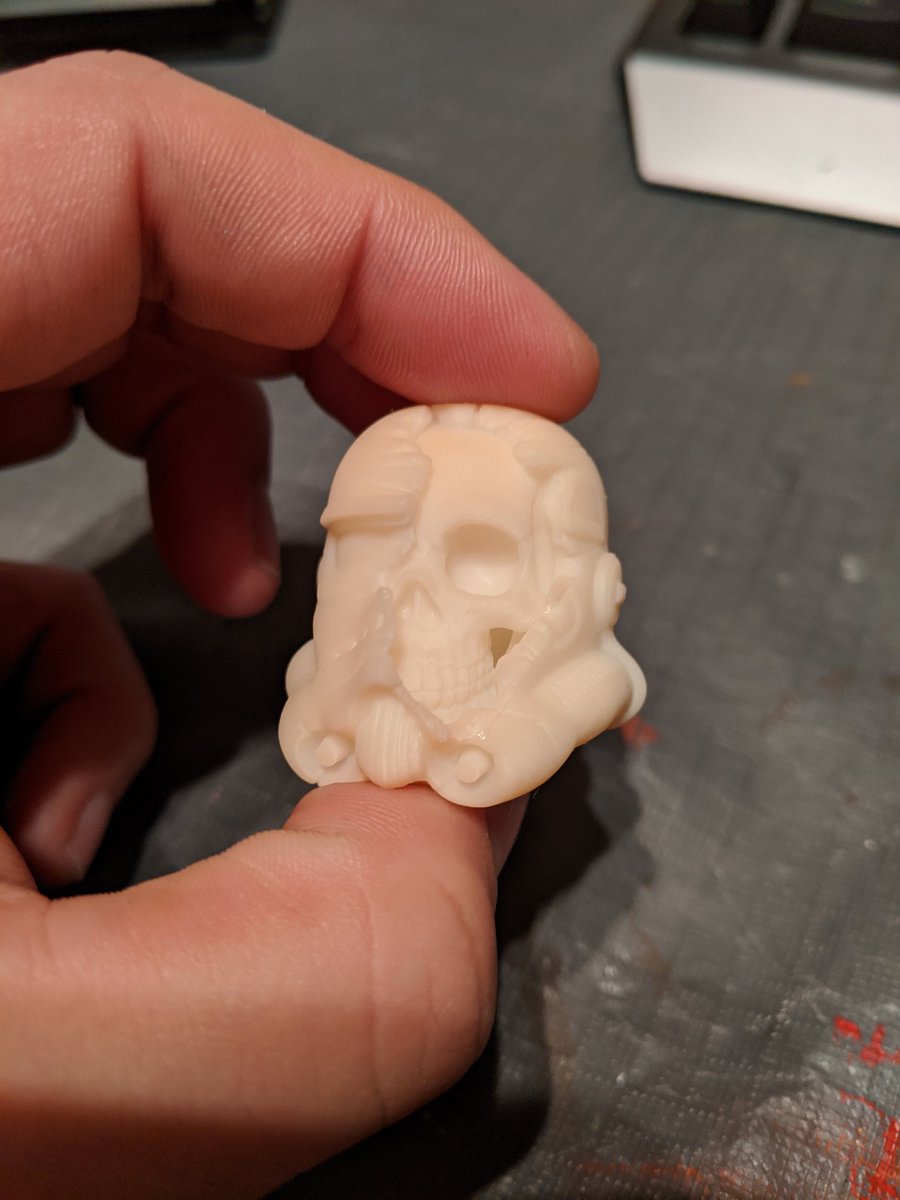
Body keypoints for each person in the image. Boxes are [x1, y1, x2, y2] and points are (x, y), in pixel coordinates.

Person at [0, 51, 599, 1199]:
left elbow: (580, 680)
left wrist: (508, 722)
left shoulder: (558, 645)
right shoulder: (359, 659)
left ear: (581, 590)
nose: (408, 598)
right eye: (368, 553)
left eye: (476, 560)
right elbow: (345, 661)